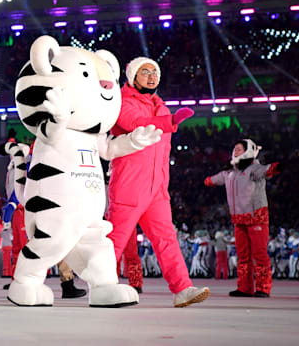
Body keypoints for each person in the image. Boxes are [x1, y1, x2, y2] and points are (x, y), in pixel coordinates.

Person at [107, 57, 210, 307]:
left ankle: (182, 289)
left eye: (155, 72)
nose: (152, 76)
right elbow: (135, 125)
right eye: (145, 72)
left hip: (157, 189)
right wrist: (170, 122)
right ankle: (102, 286)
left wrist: (163, 185)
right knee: (115, 240)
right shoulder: (123, 103)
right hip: (129, 185)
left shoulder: (162, 108)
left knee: (167, 238)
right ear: (132, 77)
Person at [204, 139, 282, 297]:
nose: (235, 151)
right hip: (239, 220)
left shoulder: (254, 169)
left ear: (248, 151)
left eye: (239, 149)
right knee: (243, 255)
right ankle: (244, 287)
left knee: (259, 254)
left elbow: (267, 170)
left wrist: (277, 167)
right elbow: (212, 180)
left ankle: (263, 287)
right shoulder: (229, 172)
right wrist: (207, 181)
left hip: (256, 217)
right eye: (235, 149)